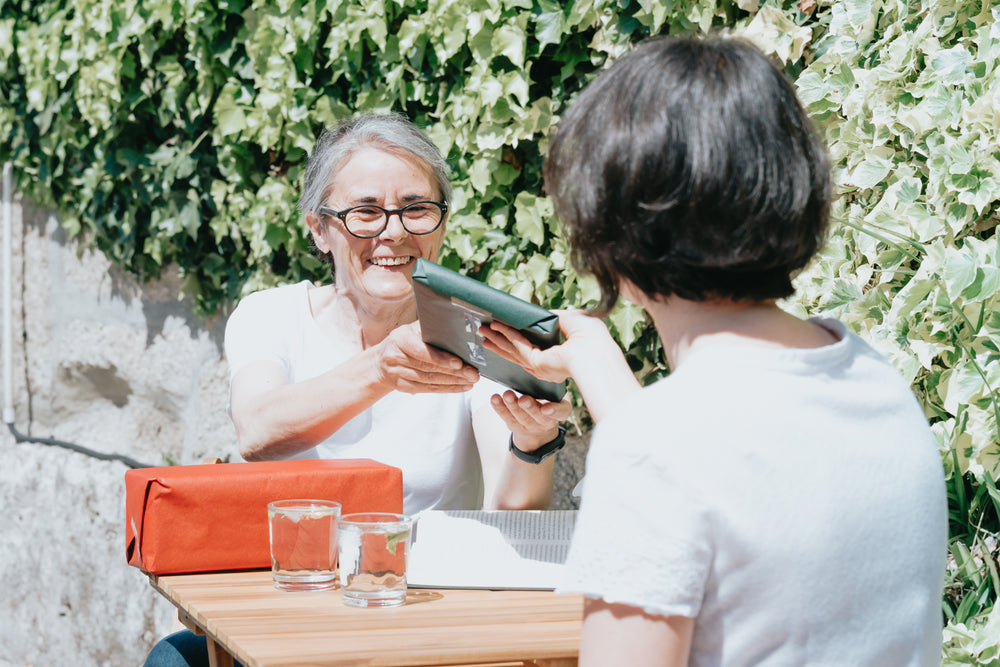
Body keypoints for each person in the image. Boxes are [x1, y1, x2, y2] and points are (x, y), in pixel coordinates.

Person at [481, 35, 948, 666]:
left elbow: (679, 460)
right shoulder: (876, 381)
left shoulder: (657, 446)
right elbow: (717, 474)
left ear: (610, 228)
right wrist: (595, 362)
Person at [143, 113, 570, 667]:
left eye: (416, 208)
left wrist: (532, 444)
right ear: (319, 228)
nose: (394, 232)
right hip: (292, 610)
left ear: (441, 223)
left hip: (424, 620)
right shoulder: (272, 317)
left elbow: (513, 511)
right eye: (365, 212)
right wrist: (382, 368)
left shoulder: (473, 330)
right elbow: (259, 429)